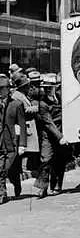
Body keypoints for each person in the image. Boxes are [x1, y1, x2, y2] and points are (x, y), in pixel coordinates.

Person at [33, 74, 70, 199]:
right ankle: (42, 188)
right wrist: (60, 137)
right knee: (46, 160)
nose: (48, 89)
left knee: (60, 161)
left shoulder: (61, 97)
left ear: (56, 87)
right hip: (49, 136)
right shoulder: (42, 104)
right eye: (46, 87)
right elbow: (49, 123)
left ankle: (56, 186)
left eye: (50, 87)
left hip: (62, 134)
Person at [8, 73, 40, 198]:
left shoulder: (22, 95)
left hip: (28, 129)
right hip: (23, 129)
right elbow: (23, 111)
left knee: (24, 156)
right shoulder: (17, 96)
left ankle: (20, 178)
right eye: (27, 85)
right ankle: (18, 181)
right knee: (20, 156)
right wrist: (37, 108)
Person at [0, 76, 26, 204]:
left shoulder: (16, 105)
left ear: (7, 90)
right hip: (0, 142)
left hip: (12, 143)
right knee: (1, 169)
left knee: (10, 169)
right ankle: (2, 194)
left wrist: (22, 144)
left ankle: (16, 183)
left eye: (2, 89)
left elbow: (22, 125)